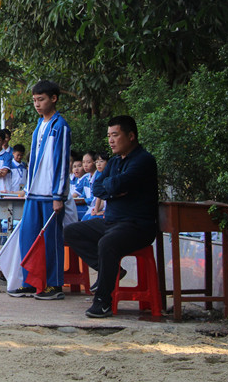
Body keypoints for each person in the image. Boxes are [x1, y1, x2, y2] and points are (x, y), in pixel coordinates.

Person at [64, 115, 159, 318]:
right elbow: (98, 187)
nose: (111, 140)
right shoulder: (114, 162)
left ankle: (103, 301)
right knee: (70, 231)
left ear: (131, 136)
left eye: (115, 135)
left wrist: (113, 187)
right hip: (111, 222)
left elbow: (112, 185)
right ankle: (112, 269)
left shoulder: (144, 160)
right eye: (109, 136)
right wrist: (115, 188)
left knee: (107, 243)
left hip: (137, 226)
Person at [8, 80, 71, 300]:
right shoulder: (39, 125)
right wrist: (27, 187)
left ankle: (54, 284)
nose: (37, 104)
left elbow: (62, 162)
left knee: (52, 239)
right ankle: (30, 282)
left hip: (51, 195)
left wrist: (58, 195)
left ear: (53, 99)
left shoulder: (59, 126)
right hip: (34, 193)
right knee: (28, 236)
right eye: (34, 100)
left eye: (41, 99)